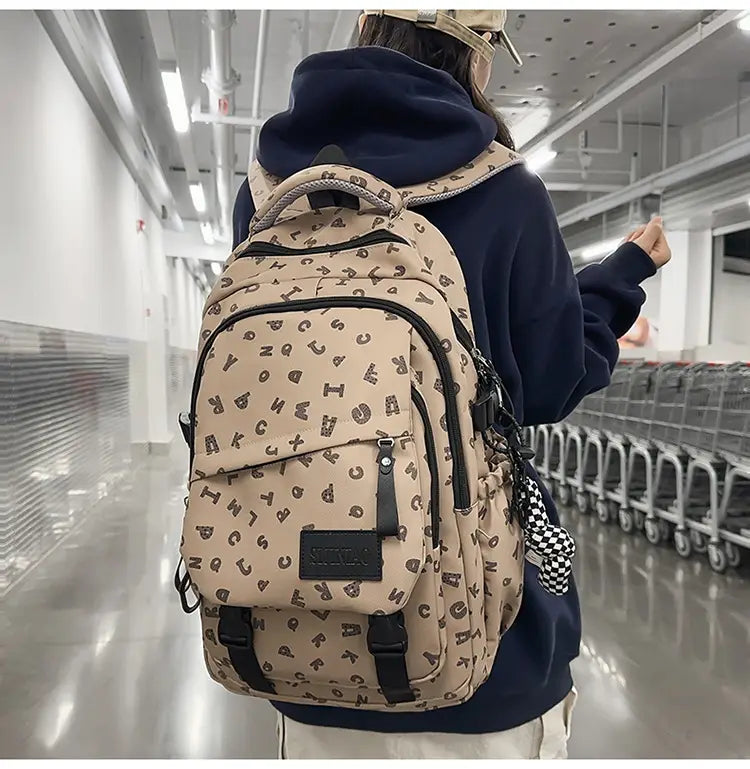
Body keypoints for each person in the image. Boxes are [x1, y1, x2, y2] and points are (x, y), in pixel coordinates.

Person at [232, 9, 672, 760]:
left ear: (366, 24)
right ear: (478, 51)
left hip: (295, 632)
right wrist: (618, 279)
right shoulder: (504, 190)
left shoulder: (266, 193)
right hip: (482, 647)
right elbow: (550, 381)